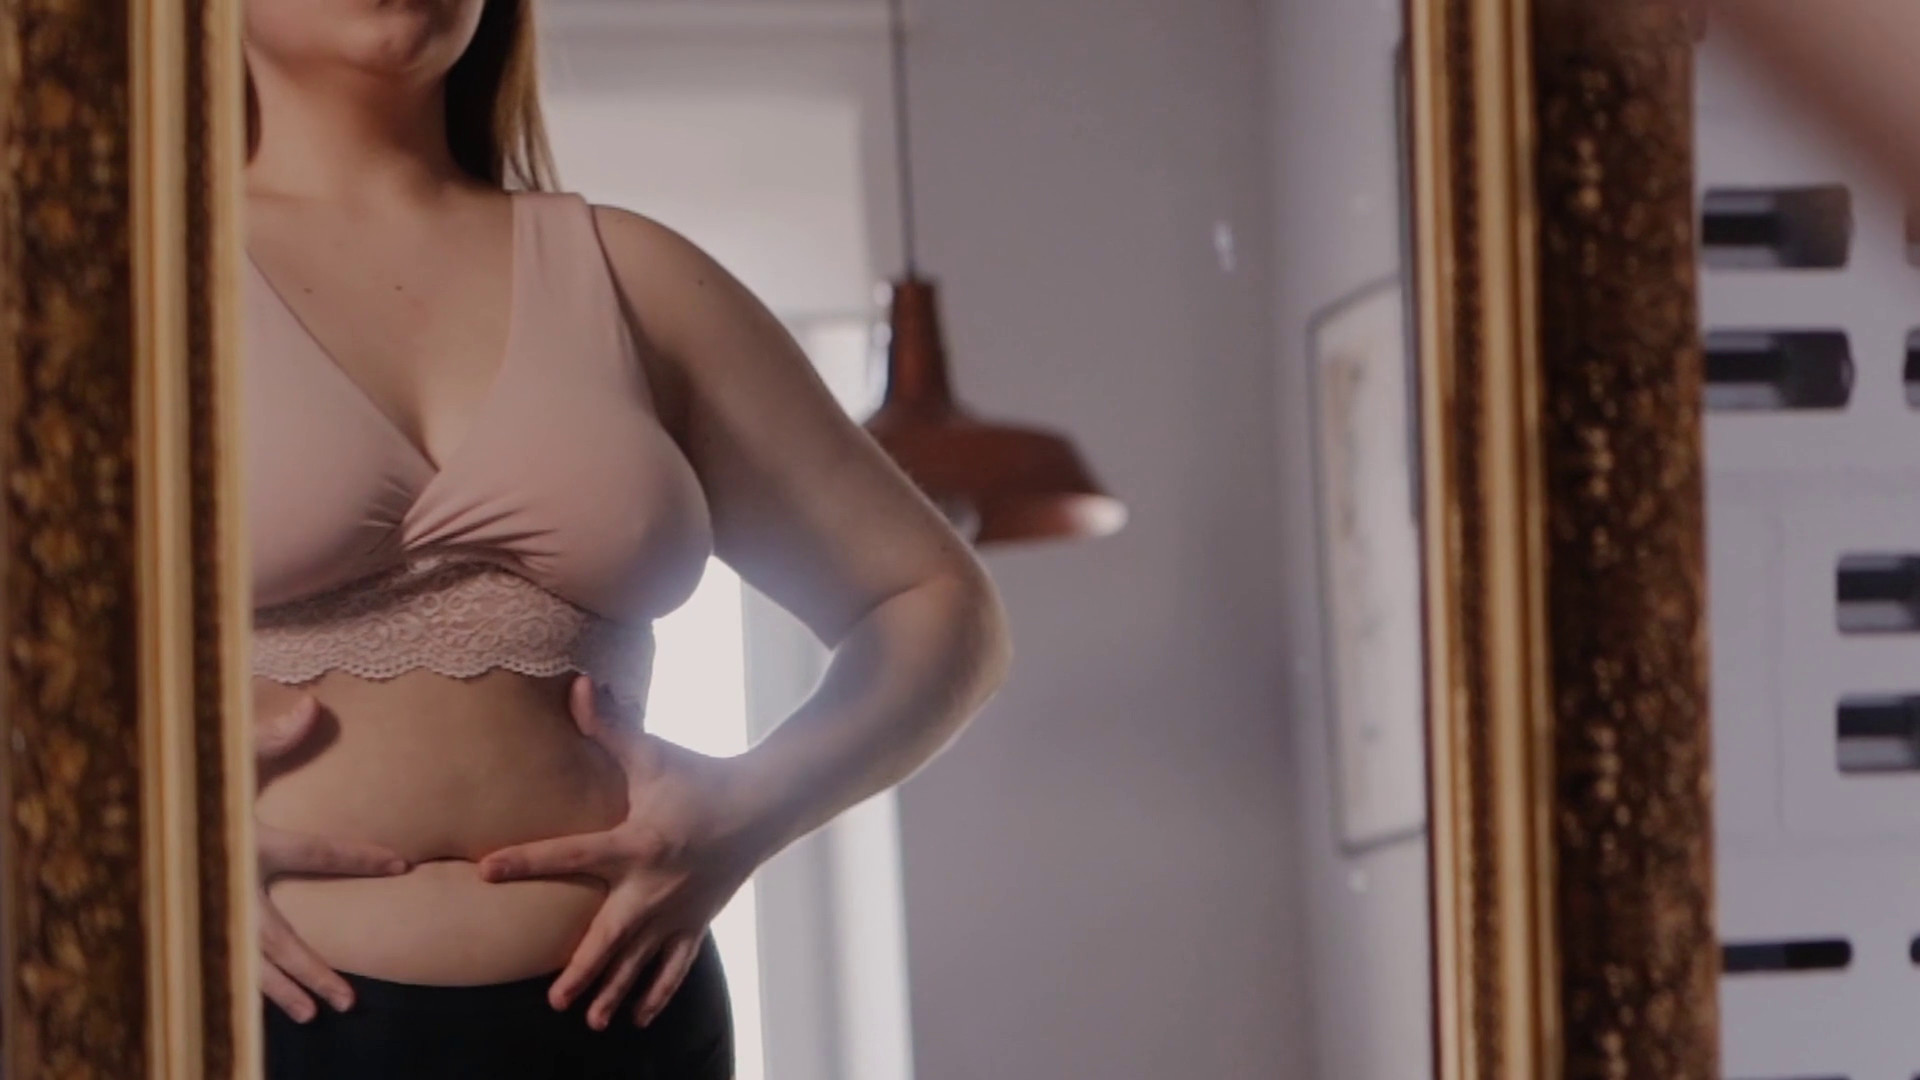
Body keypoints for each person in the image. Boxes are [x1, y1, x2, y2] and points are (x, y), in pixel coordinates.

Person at [242, 1, 1012, 1076]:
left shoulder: (633, 276)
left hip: (625, 1022)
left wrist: (753, 807)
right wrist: (130, 840)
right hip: (249, 1021)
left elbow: (938, 603)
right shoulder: (122, 288)